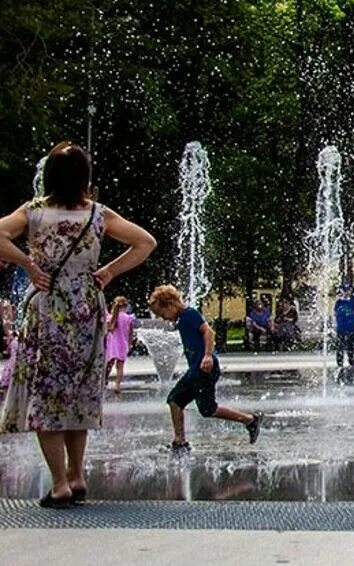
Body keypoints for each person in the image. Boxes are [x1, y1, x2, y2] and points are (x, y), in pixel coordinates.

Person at [0, 142, 156, 508]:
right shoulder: (99, 214)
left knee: (47, 392)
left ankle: (59, 485)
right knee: (79, 391)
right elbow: (145, 242)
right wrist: (108, 271)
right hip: (87, 307)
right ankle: (77, 475)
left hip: (48, 305)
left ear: (49, 176)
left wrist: (28, 264)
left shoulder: (33, 212)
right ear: (85, 177)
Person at [147, 285, 261, 454]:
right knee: (200, 407)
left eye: (163, 314)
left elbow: (208, 332)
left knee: (178, 401)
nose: (164, 319)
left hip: (204, 368)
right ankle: (248, 421)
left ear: (170, 304)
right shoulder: (183, 318)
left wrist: (207, 356)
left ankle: (249, 420)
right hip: (198, 369)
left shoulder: (189, 314)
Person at [104, 296, 137, 394]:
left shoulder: (111, 317)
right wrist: (130, 344)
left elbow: (107, 330)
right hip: (123, 344)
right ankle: (117, 385)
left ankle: (105, 381)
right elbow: (131, 333)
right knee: (120, 366)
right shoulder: (128, 318)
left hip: (112, 343)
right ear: (126, 306)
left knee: (109, 364)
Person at [333, 283, 354, 372]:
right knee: (340, 345)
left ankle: (351, 361)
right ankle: (339, 362)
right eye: (345, 290)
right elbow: (335, 313)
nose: (347, 292)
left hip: (351, 326)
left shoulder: (353, 301)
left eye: (348, 290)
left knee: (350, 345)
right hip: (341, 327)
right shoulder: (339, 302)